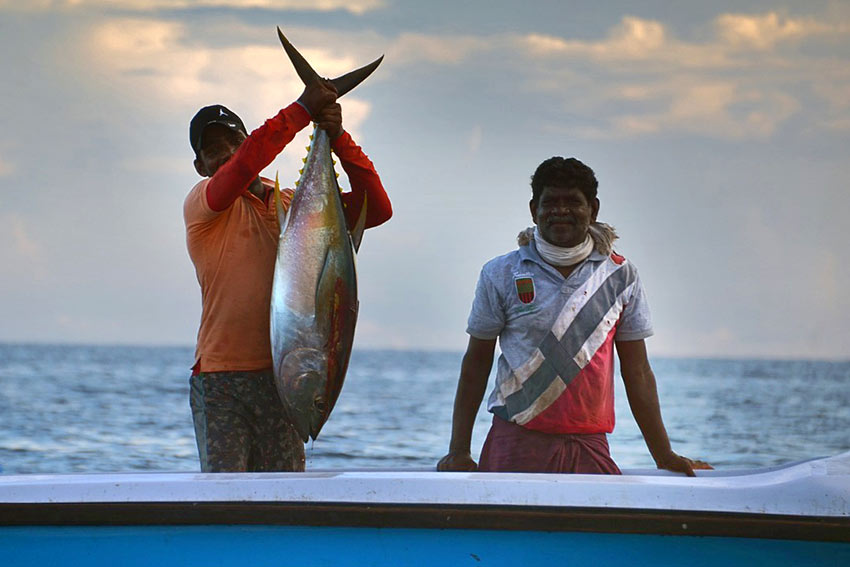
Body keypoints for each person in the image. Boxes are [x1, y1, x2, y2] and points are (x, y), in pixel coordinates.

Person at [437, 157, 710, 476]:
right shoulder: (501, 273)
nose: (561, 210)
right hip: (514, 443)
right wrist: (458, 451)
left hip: (589, 447)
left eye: (573, 202)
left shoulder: (620, 275)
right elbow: (476, 363)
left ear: (593, 209)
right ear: (533, 210)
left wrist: (664, 456)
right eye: (550, 202)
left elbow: (637, 372)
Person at [184, 80, 392, 473]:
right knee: (226, 498)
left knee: (282, 496)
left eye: (233, 142)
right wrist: (302, 109)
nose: (226, 155)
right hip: (221, 381)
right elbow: (245, 164)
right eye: (212, 151)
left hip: (284, 381)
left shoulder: (295, 206)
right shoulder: (203, 205)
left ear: (246, 140)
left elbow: (376, 208)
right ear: (199, 166)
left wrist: (337, 136)